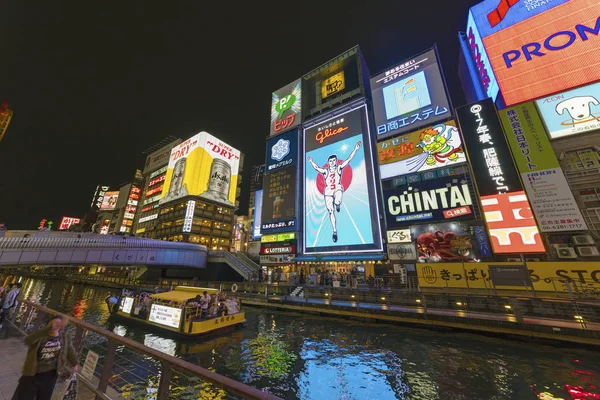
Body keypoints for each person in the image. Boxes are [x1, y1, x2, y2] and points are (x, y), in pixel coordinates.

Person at [307, 140, 361, 243]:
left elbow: (348, 159)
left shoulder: (339, 168)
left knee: (338, 199)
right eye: (330, 161)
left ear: (336, 161)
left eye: (334, 160)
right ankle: (334, 231)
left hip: (337, 188)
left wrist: (355, 149)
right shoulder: (325, 171)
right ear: (328, 162)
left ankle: (338, 204)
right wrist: (311, 161)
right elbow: (317, 168)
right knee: (330, 211)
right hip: (328, 192)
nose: (332, 162)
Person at [12, 315, 78, 400]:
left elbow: (70, 350)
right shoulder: (40, 336)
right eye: (53, 323)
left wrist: (75, 363)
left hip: (51, 375)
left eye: (58, 324)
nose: (55, 326)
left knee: (44, 396)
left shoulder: (64, 337)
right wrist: (47, 329)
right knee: (24, 396)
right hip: (33, 373)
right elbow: (27, 340)